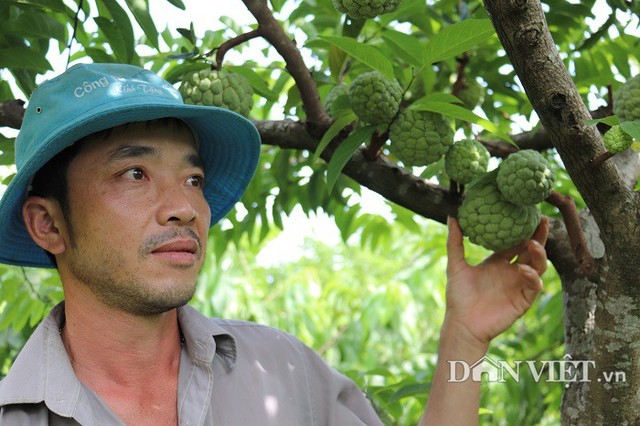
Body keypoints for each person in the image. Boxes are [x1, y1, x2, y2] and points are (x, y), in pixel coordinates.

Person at [0, 63, 548, 425]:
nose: (186, 207)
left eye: (193, 179)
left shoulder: (281, 370)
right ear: (48, 225)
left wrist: (465, 339)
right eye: (135, 174)